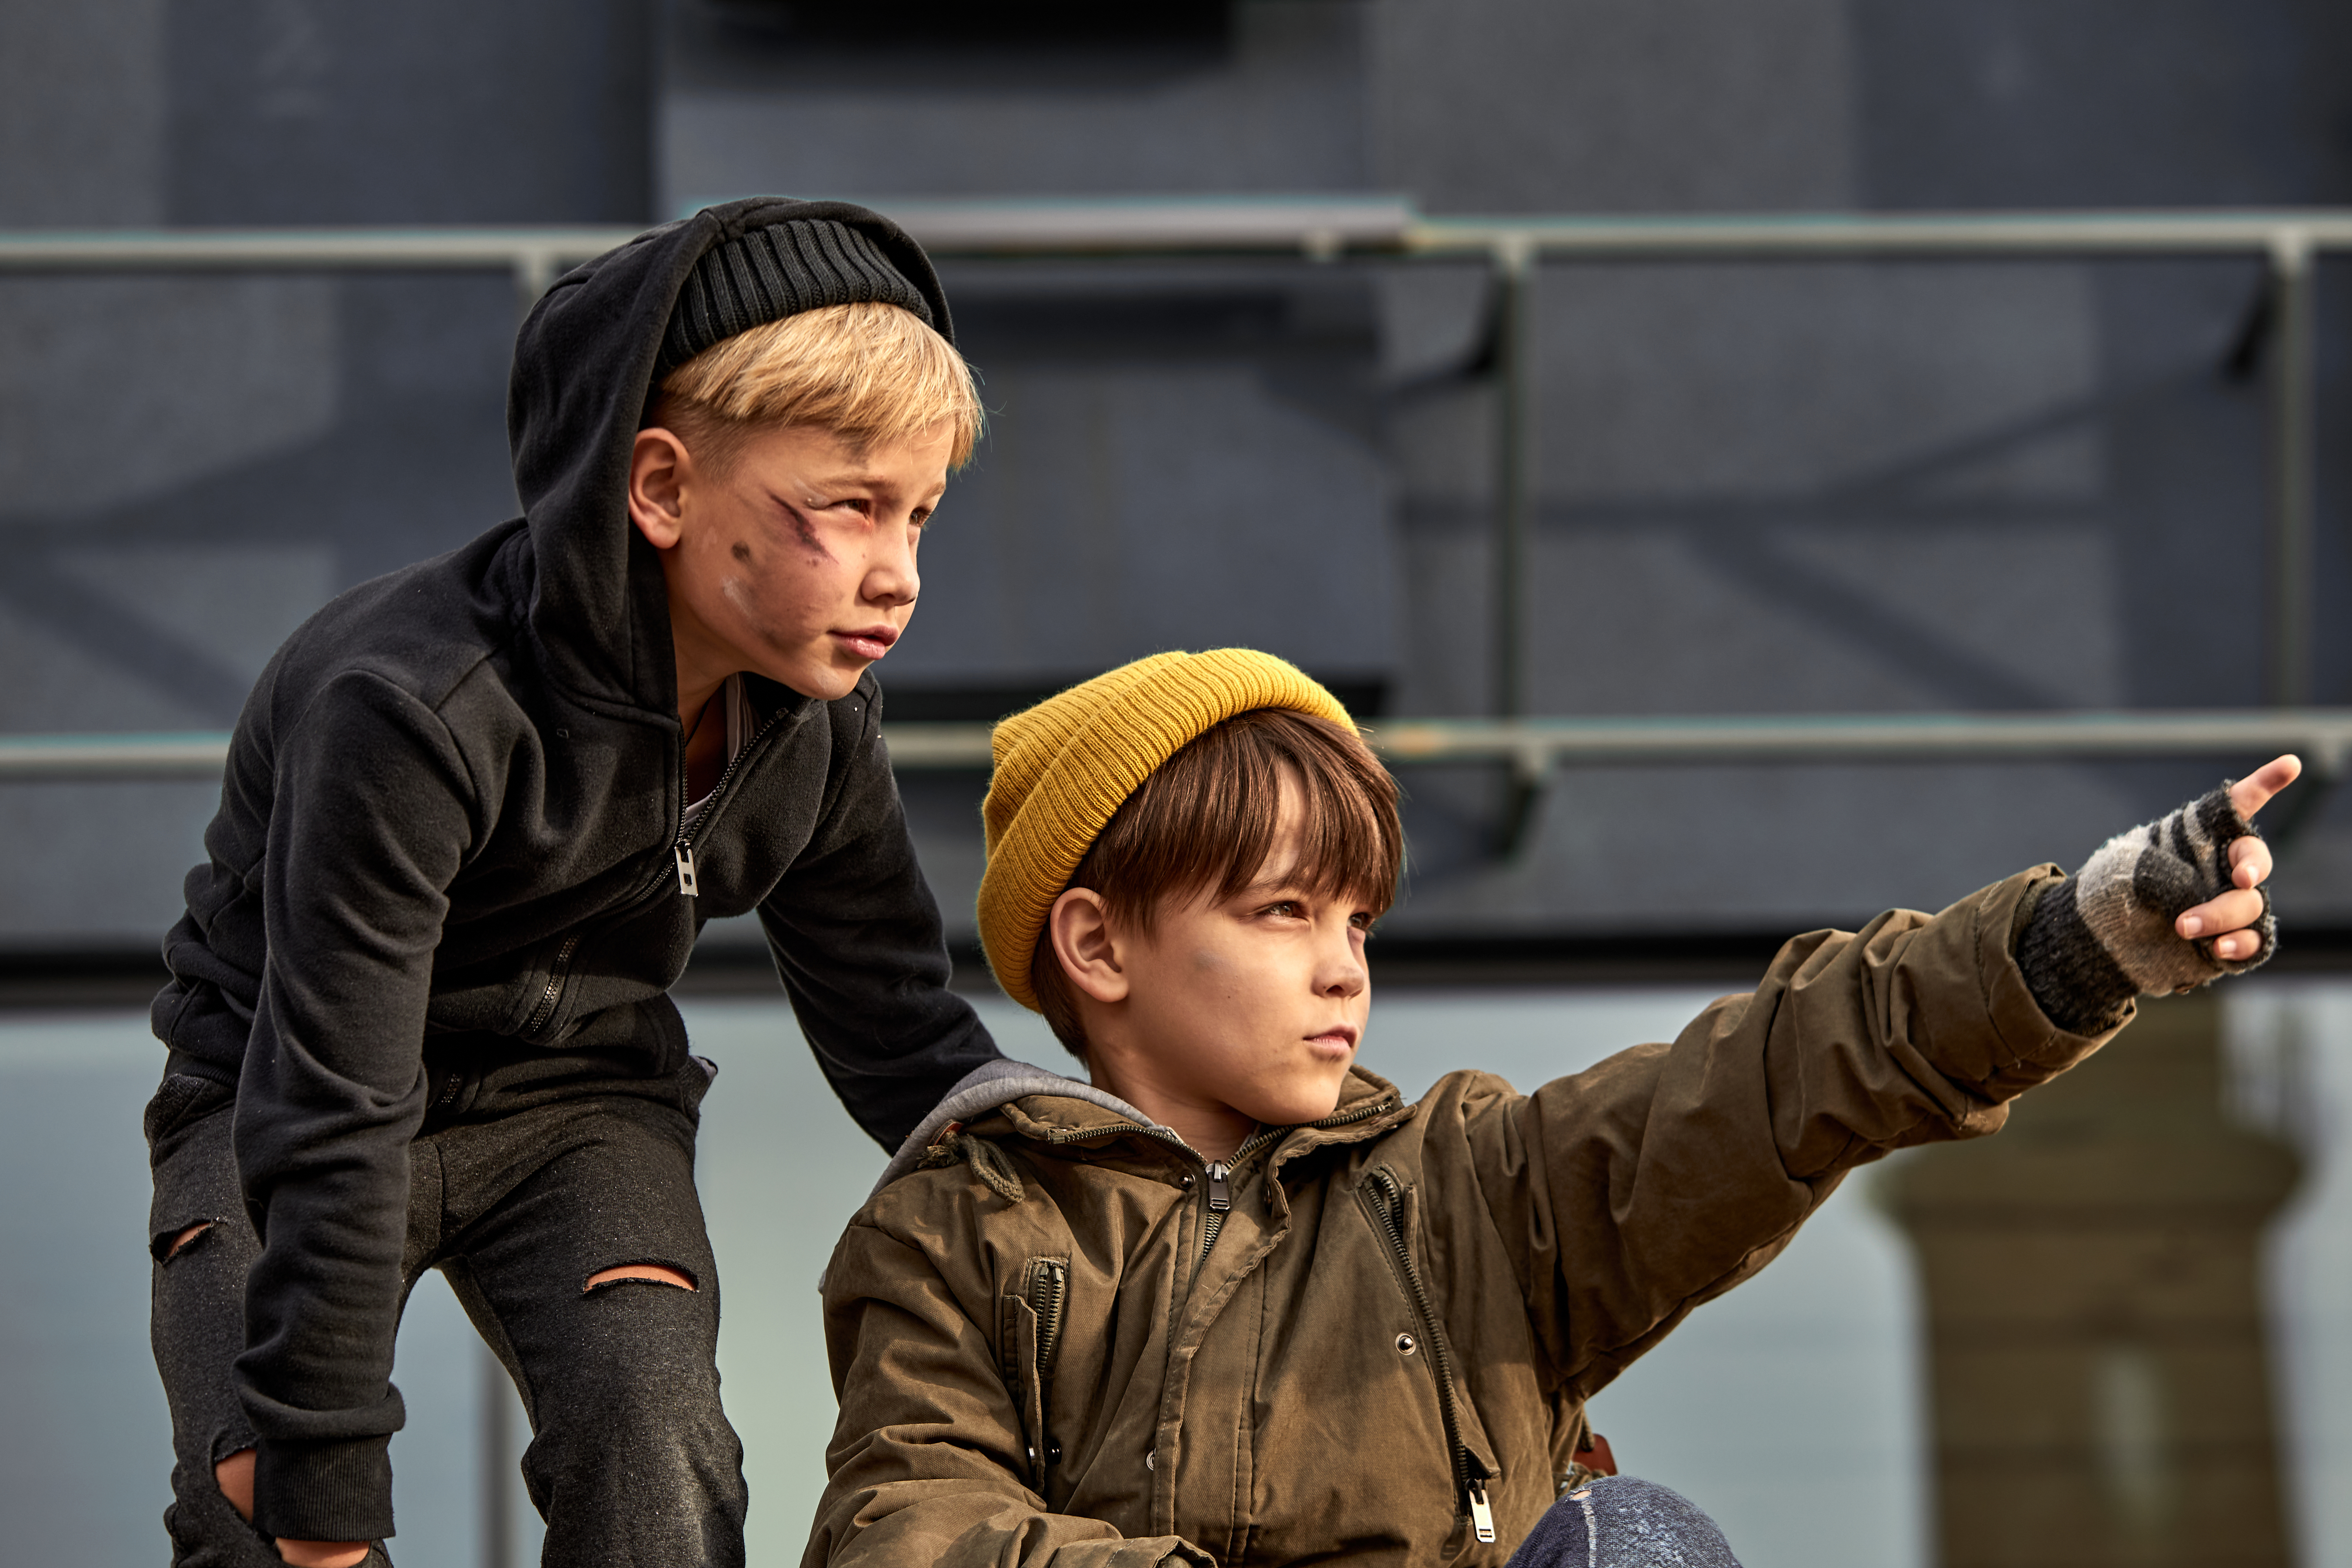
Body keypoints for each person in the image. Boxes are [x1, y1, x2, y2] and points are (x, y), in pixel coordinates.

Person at [805, 647, 2297, 1567]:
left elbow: (1779, 1076)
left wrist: (2077, 939)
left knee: (1635, 1545)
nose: (1342, 965)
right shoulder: (963, 1228)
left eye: (1359, 920)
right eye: (1281, 912)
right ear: (1097, 946)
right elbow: (906, 1529)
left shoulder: (1471, 1187)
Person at [144, 198, 1004, 1568]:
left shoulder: (815, 725)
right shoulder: (412, 709)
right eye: (847, 508)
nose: (898, 575)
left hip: (577, 1106)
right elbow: (335, 1102)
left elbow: (900, 1030)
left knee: (657, 1449)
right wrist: (321, 1486)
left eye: (920, 516)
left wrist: (1088, 1165)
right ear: (660, 489)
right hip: (282, 1095)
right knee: (262, 1496)